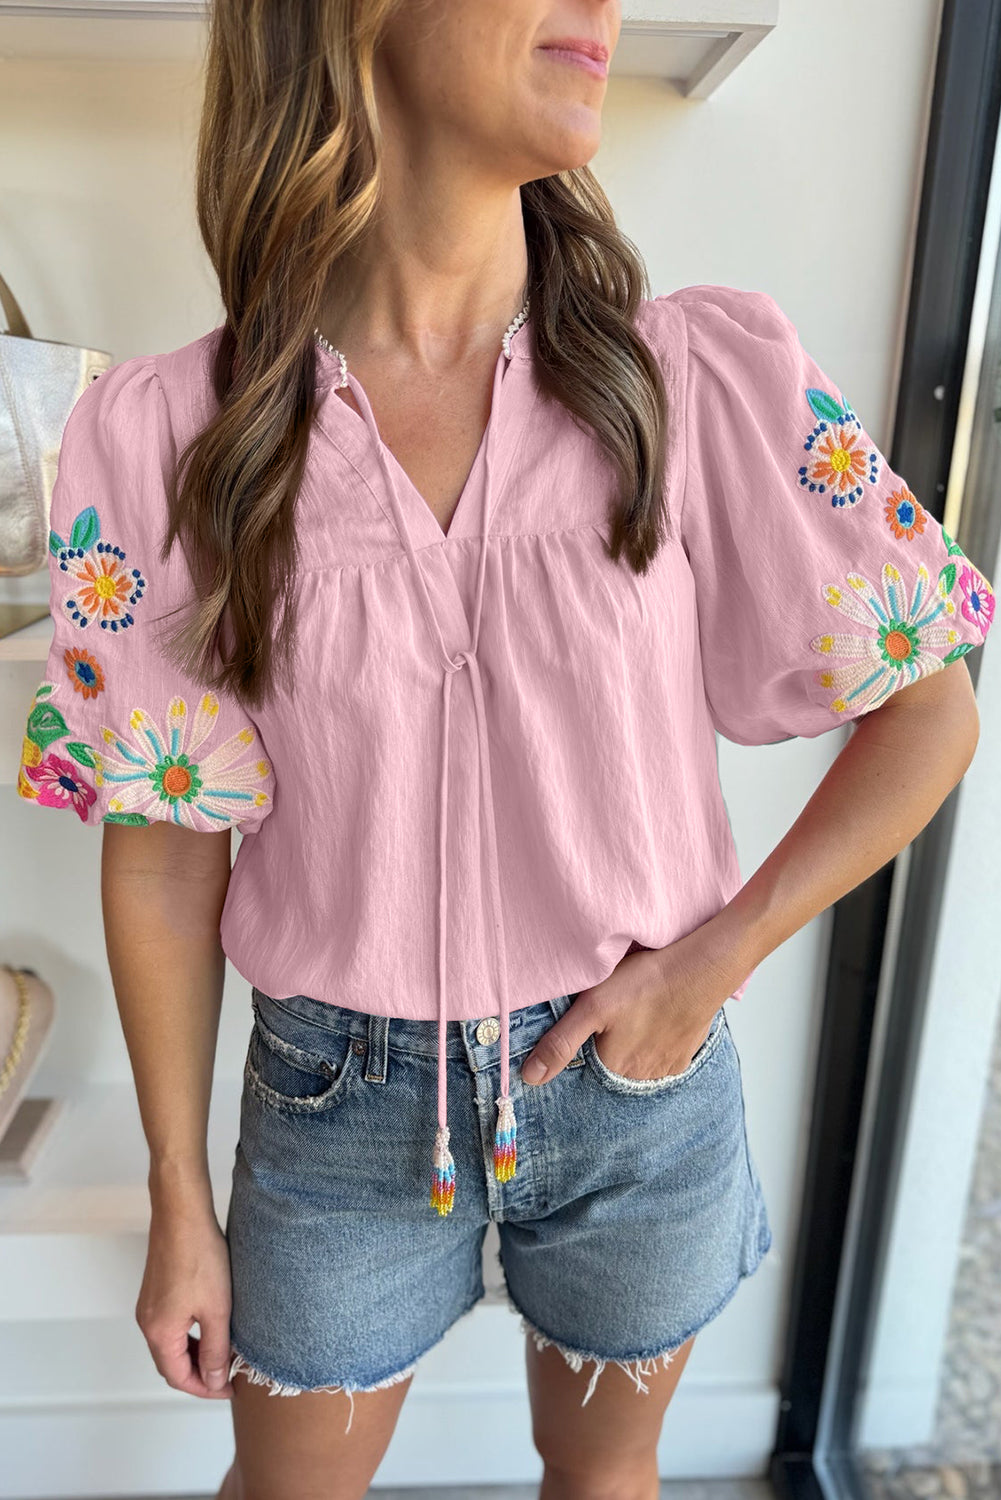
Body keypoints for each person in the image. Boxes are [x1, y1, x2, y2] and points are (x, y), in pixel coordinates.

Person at [16, 0, 996, 1495]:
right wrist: (179, 1197)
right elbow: (162, 852)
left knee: (603, 1479)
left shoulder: (693, 380)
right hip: (336, 1108)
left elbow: (931, 707)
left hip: (642, 1084)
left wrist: (713, 963)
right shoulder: (172, 439)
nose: (601, 5)